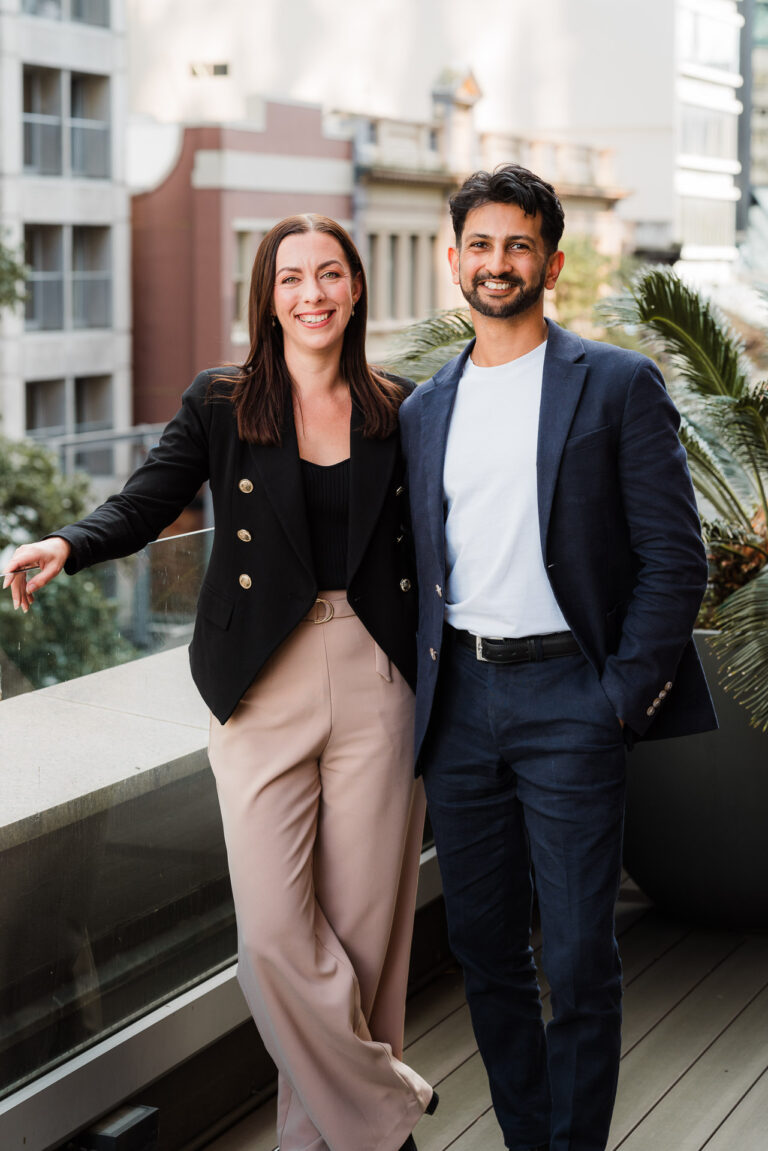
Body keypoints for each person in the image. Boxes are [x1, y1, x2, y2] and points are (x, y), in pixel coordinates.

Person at [4, 214, 438, 1151]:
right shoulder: (223, 401)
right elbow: (146, 499)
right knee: (276, 942)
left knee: (364, 945)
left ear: (356, 288)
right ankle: (386, 1116)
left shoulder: (400, 407)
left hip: (378, 675)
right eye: (292, 278)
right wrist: (66, 544)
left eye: (330, 274)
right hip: (259, 684)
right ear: (267, 294)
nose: (312, 293)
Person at [398, 165, 717, 1151]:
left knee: (578, 955)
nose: (498, 264)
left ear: (552, 260)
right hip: (462, 706)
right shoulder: (423, 409)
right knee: (484, 946)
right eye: (481, 246)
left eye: (518, 245)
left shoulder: (615, 383)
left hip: (570, 699)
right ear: (454, 260)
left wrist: (618, 696)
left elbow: (676, 558)